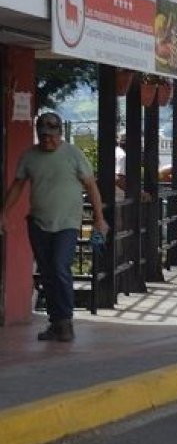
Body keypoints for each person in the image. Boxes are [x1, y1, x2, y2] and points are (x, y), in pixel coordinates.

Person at [0, 112, 108, 342]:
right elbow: (18, 185)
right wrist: (4, 213)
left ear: (60, 133)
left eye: (52, 136)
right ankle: (55, 323)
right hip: (38, 223)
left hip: (67, 223)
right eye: (43, 136)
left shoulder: (73, 154)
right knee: (47, 273)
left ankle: (66, 321)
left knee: (59, 267)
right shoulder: (29, 156)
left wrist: (99, 219)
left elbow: (91, 186)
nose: (48, 140)